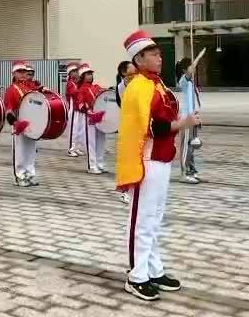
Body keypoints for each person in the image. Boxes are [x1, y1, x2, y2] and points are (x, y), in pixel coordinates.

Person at [116, 30, 199, 301]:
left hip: (161, 160)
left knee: (154, 219)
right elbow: (155, 127)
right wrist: (184, 123)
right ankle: (136, 275)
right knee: (141, 220)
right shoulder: (138, 87)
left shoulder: (157, 84)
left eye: (159, 53)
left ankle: (154, 268)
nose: (159, 57)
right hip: (145, 161)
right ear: (139, 58)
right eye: (153, 53)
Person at [175, 56, 204, 184]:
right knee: (185, 147)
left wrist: (198, 118)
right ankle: (183, 173)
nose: (194, 69)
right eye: (191, 66)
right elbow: (189, 73)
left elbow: (194, 103)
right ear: (184, 70)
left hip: (193, 118)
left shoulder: (191, 82)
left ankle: (191, 170)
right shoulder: (184, 81)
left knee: (191, 147)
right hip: (186, 119)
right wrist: (197, 58)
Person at [76, 64, 107, 174]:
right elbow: (80, 104)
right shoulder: (82, 89)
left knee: (101, 141)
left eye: (91, 74)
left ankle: (100, 164)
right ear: (82, 76)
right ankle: (92, 166)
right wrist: (89, 113)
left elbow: (104, 96)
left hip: (100, 118)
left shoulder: (96, 87)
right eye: (88, 74)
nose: (90, 76)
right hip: (89, 118)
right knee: (91, 143)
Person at [64, 64, 80, 157]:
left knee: (77, 130)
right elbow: (74, 93)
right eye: (73, 71)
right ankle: (71, 149)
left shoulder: (75, 83)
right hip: (73, 110)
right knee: (73, 130)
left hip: (77, 109)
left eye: (76, 71)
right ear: (69, 74)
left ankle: (76, 147)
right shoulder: (71, 83)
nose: (76, 73)